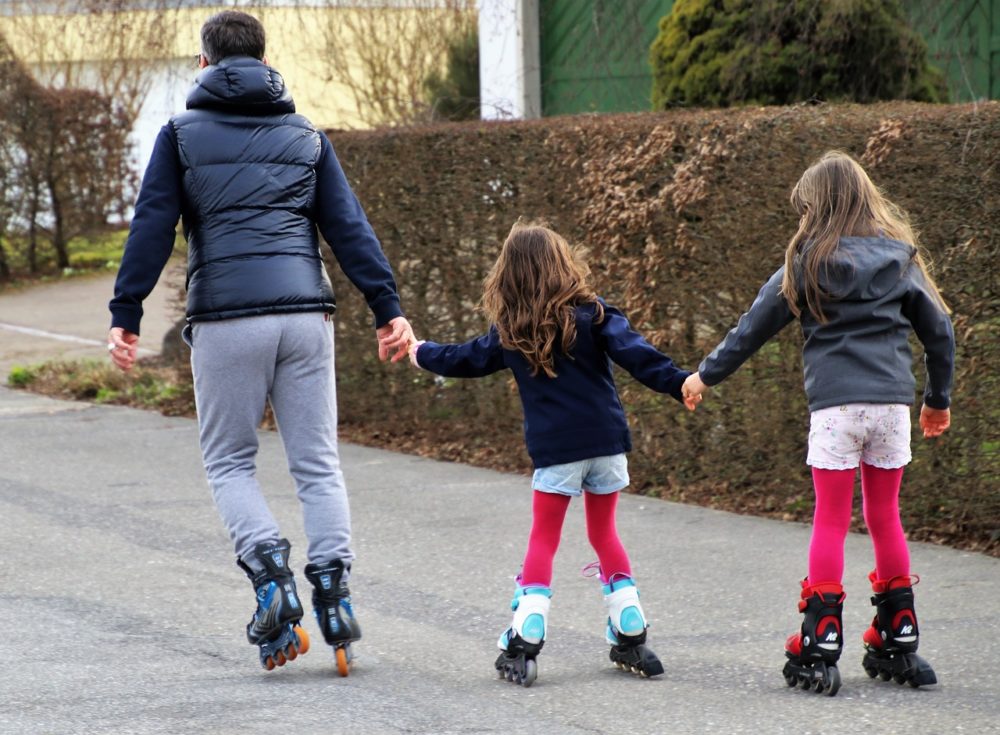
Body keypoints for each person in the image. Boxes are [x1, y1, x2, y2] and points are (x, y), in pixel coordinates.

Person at [107, 10, 413, 676]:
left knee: (229, 462)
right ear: (266, 62)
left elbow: (153, 226)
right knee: (317, 461)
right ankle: (334, 597)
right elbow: (349, 228)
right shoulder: (305, 133)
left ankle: (271, 576)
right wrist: (388, 309)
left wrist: (125, 313)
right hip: (306, 315)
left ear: (204, 65)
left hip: (225, 318)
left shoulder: (181, 135)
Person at [682, 151, 954, 695]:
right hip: (891, 408)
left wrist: (704, 376)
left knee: (831, 518)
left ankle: (822, 634)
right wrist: (937, 400)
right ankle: (899, 630)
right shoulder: (901, 259)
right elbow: (939, 330)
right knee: (885, 516)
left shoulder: (804, 262)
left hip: (835, 409)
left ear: (815, 207)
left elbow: (751, 329)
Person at [407, 222, 696, 686]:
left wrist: (420, 352)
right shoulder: (597, 315)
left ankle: (528, 629)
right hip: (606, 443)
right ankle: (630, 625)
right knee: (604, 534)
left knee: (545, 538)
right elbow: (639, 355)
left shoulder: (511, 331)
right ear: (564, 264)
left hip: (556, 451)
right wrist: (680, 382)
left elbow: (462, 359)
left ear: (509, 276)